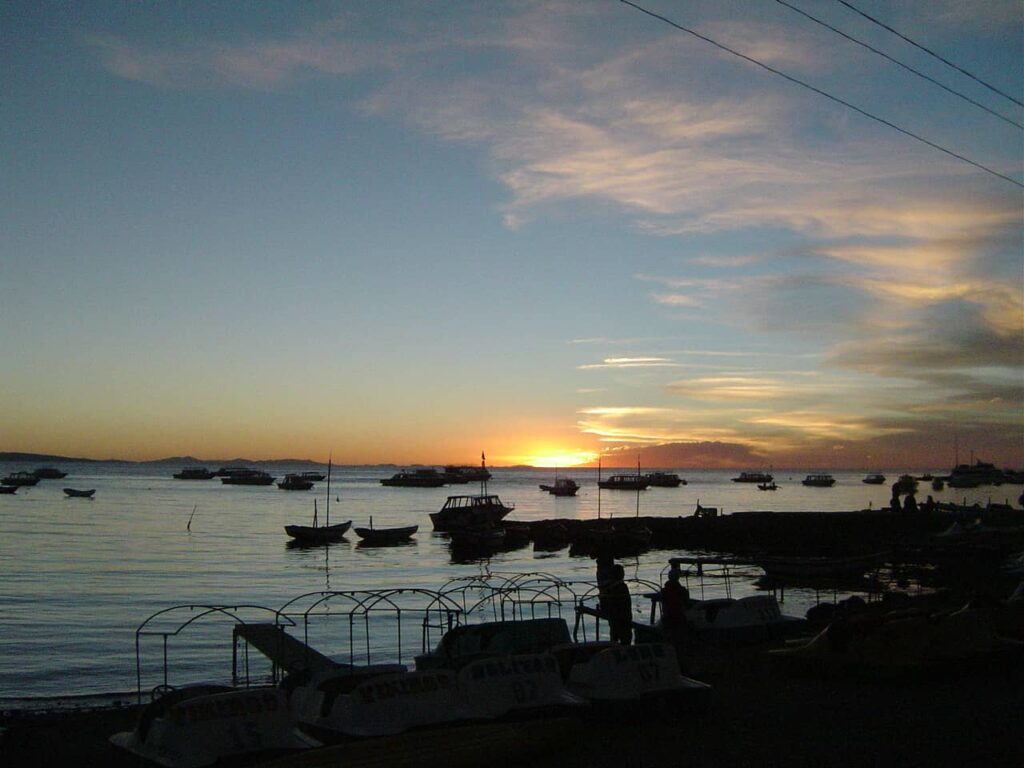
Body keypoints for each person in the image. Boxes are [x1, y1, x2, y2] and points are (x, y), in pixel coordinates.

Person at [601, 563, 633, 645]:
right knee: (625, 638)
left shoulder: (608, 588)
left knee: (614, 637)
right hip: (623, 618)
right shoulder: (621, 587)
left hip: (616, 618)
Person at [660, 566, 691, 639]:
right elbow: (687, 603)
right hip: (678, 616)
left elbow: (664, 603)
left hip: (667, 616)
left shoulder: (664, 591)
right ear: (678, 577)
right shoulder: (682, 590)